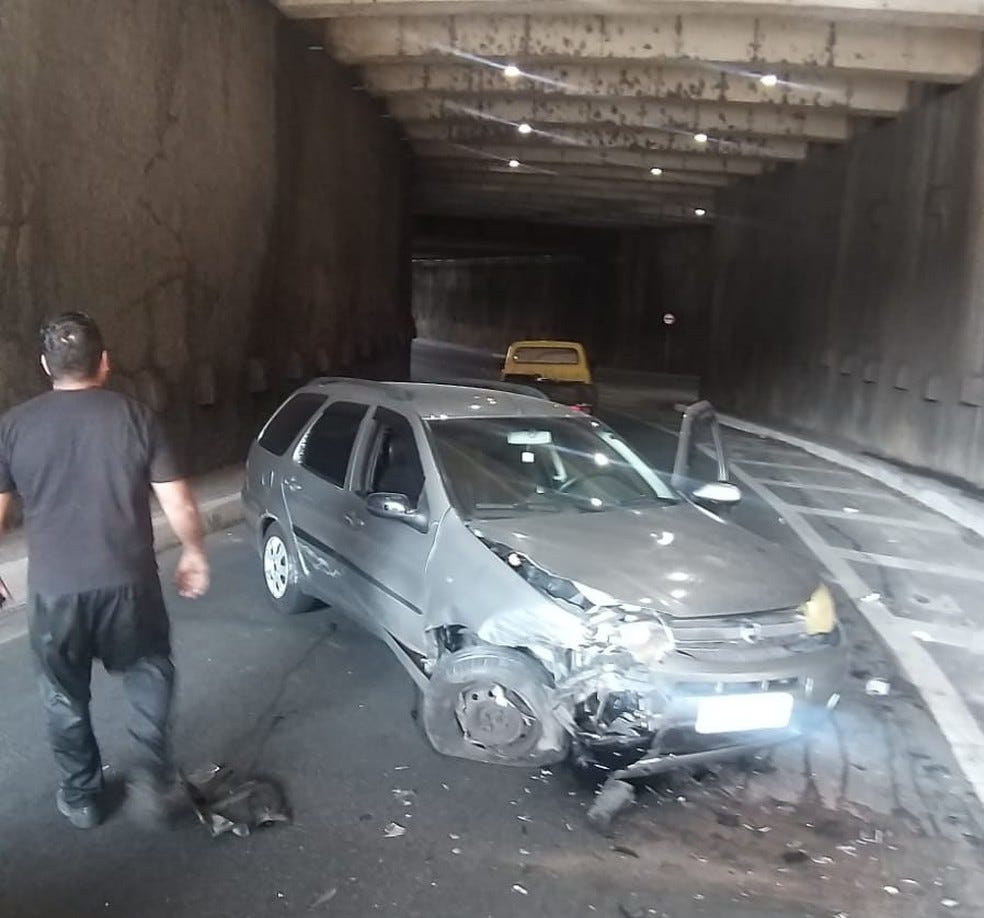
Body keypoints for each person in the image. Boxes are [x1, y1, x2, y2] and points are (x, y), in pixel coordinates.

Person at [0, 313, 210, 829]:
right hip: (128, 584)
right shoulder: (137, 417)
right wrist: (193, 551)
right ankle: (151, 779)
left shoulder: (14, 426)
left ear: (46, 364)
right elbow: (179, 501)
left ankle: (82, 798)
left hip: (55, 592)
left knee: (63, 695)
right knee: (148, 672)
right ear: (105, 362)